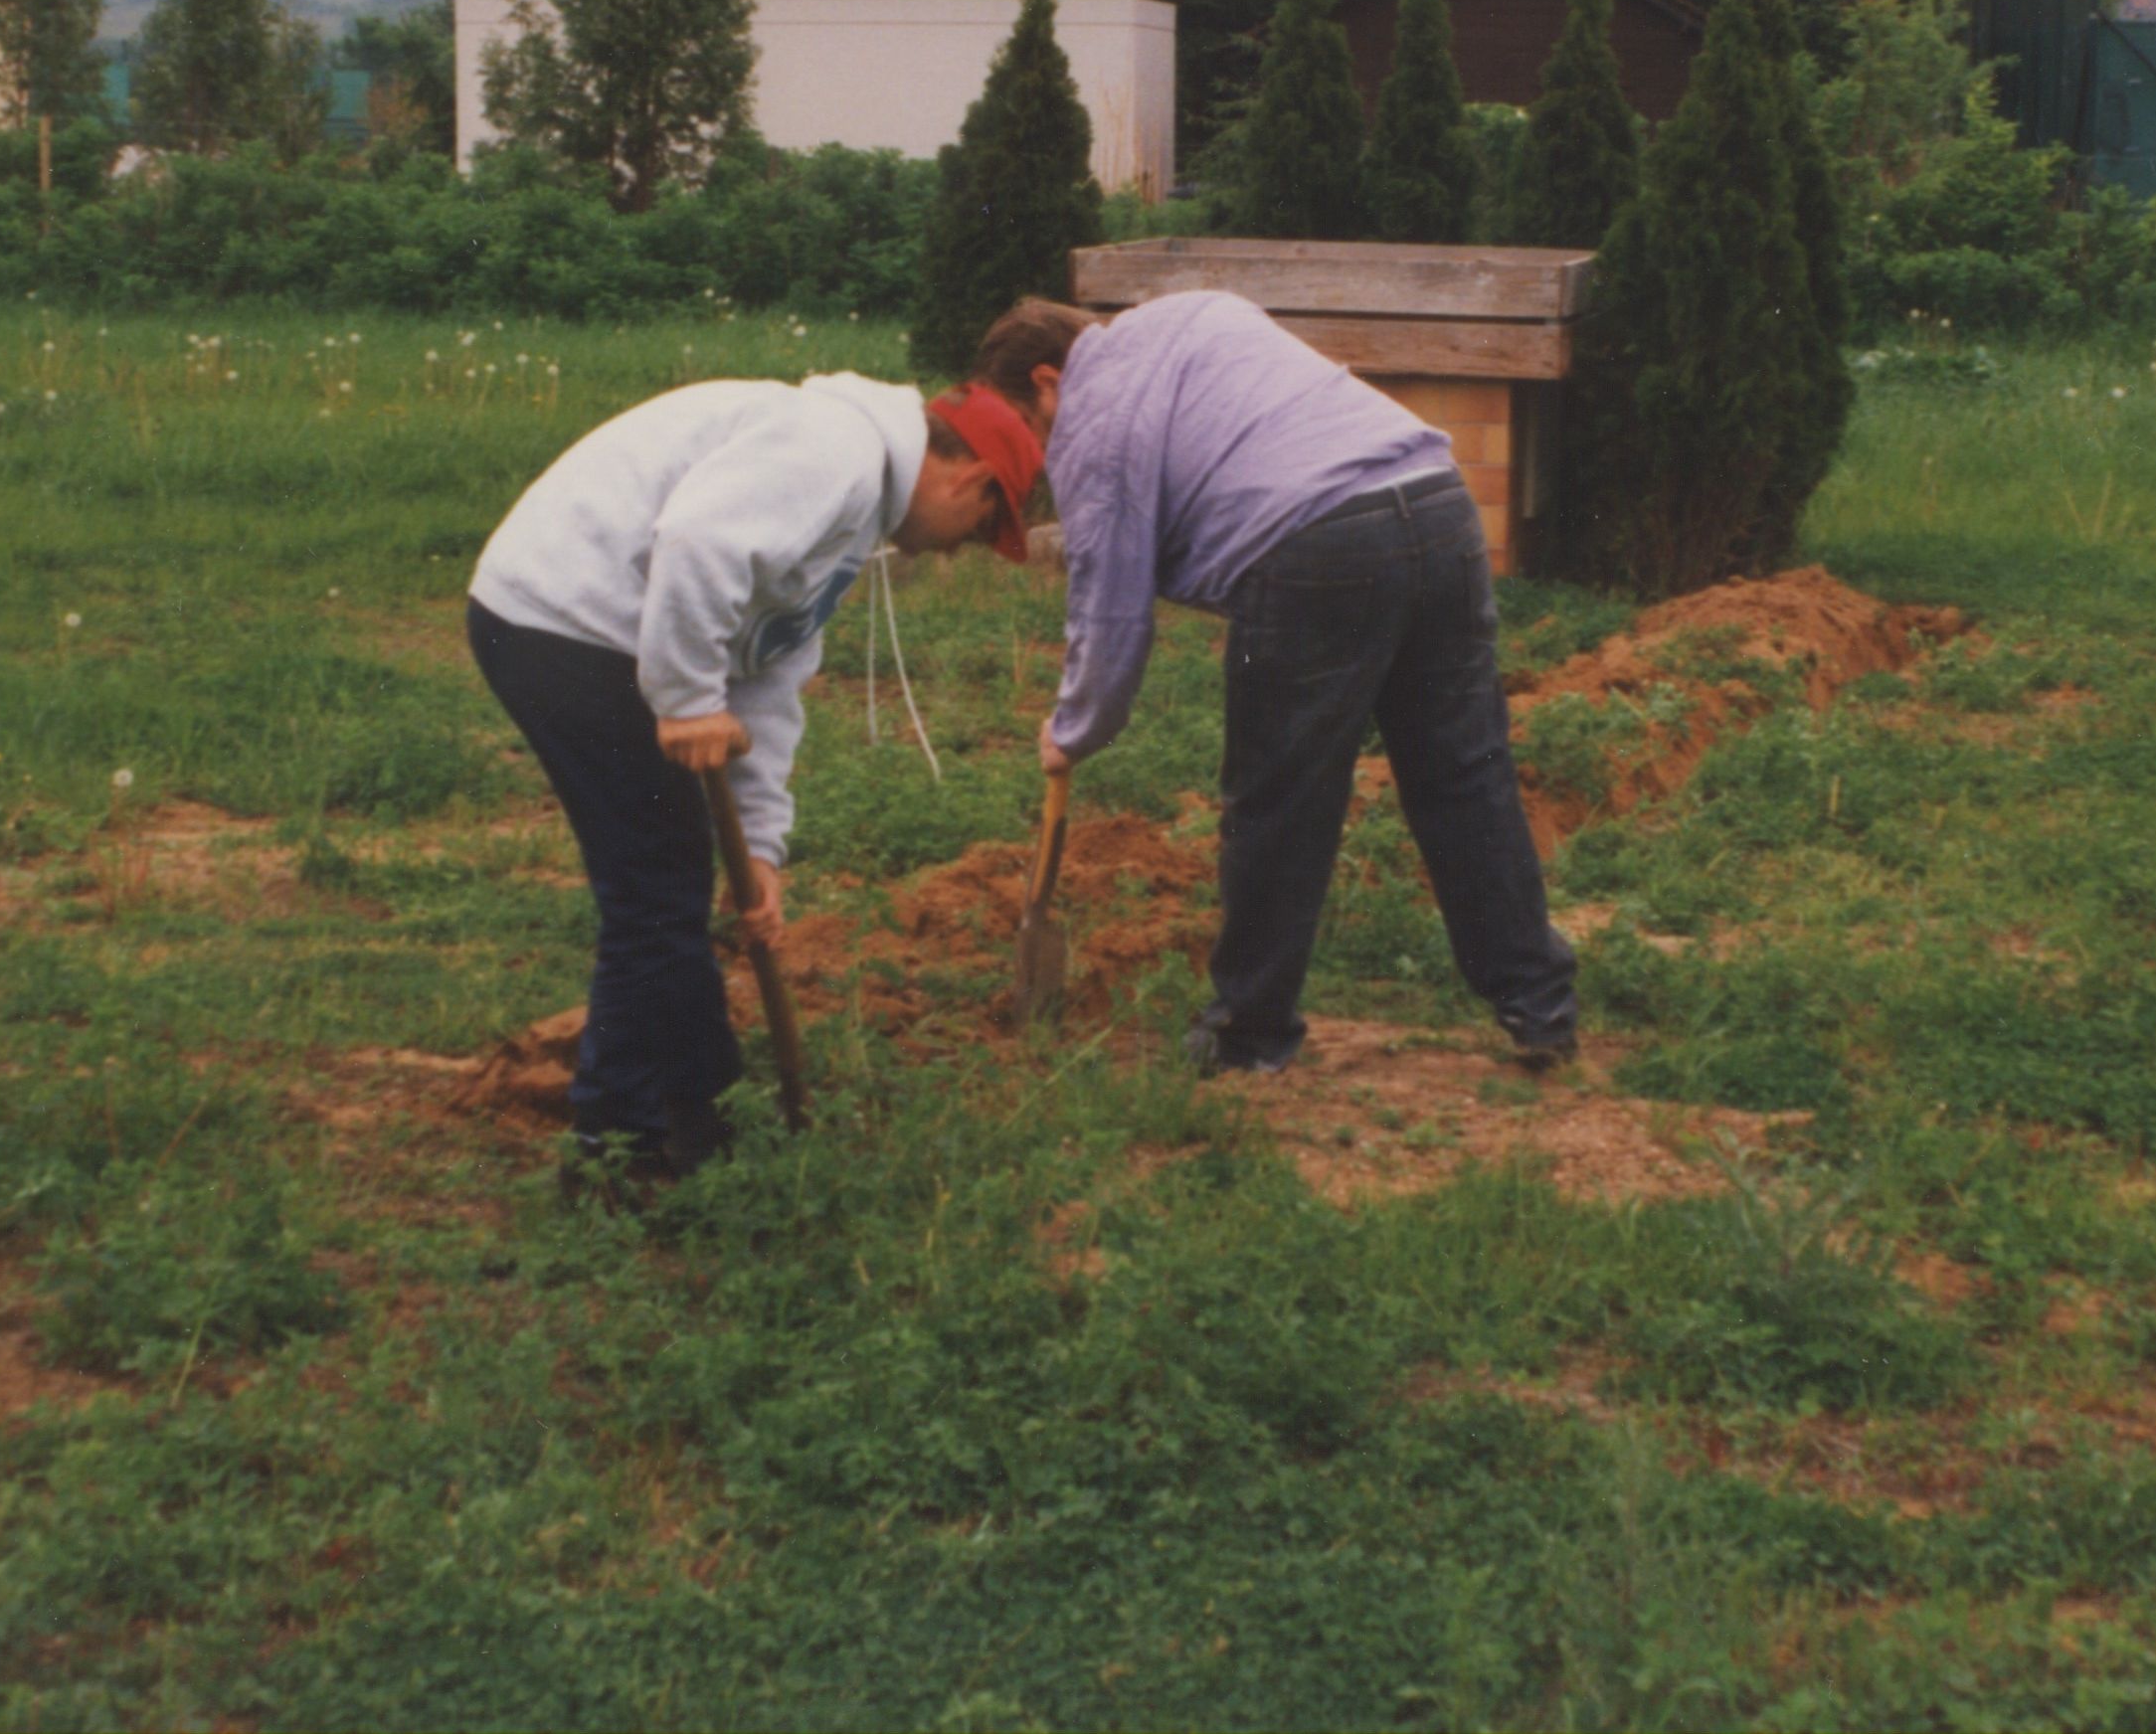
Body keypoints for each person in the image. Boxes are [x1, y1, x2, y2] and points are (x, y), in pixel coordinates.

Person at [964, 294, 1577, 1076]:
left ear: (1048, 381)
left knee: (1279, 799)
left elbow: (1109, 609)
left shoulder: (1092, 420)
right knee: (1464, 773)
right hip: (1437, 504)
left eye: (1030, 425)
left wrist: (1072, 729)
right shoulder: (1189, 313)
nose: (1042, 450)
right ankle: (1539, 1007)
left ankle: (1248, 1033)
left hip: (1316, 546)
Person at [467, 368, 1044, 1175]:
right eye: (982, 528)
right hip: (562, 618)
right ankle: (621, 1151)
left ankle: (702, 1107)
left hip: (598, 632)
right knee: (654, 889)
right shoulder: (834, 450)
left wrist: (762, 848)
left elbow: (770, 674)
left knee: (666, 881)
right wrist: (686, 699)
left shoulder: (852, 513)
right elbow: (697, 542)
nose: (960, 548)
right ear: (971, 479)